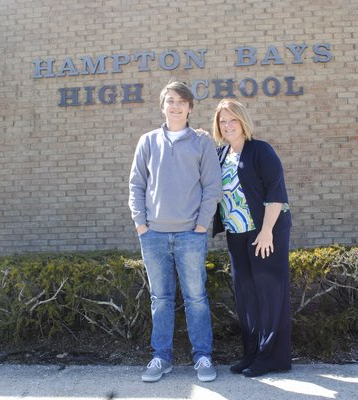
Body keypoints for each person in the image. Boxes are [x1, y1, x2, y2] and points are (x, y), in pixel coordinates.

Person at [128, 81, 222, 383]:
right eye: (170, 101)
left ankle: (203, 357)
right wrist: (141, 224)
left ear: (190, 108)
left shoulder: (201, 142)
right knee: (161, 299)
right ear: (162, 106)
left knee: (196, 297)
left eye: (182, 101)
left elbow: (212, 187)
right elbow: (136, 185)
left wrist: (201, 225)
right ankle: (161, 358)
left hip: (190, 236)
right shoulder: (147, 141)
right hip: (153, 234)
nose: (176, 106)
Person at [211, 99, 292, 378]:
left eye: (233, 119)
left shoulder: (261, 150)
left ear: (243, 121)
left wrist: (267, 231)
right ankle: (252, 353)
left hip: (265, 232)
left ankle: (272, 357)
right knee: (246, 295)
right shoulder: (221, 155)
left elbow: (276, 193)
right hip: (236, 233)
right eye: (223, 121)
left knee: (268, 293)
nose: (228, 125)